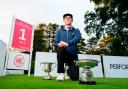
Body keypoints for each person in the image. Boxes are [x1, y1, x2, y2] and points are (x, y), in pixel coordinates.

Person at [54, 13, 81, 81]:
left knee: (75, 78)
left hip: (72, 55)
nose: (68, 19)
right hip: (63, 53)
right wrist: (58, 44)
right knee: (60, 49)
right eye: (66, 18)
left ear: (72, 20)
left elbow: (77, 38)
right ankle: (61, 73)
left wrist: (67, 43)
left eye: (69, 18)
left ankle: (67, 71)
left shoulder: (76, 30)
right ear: (64, 20)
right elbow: (55, 43)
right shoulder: (59, 31)